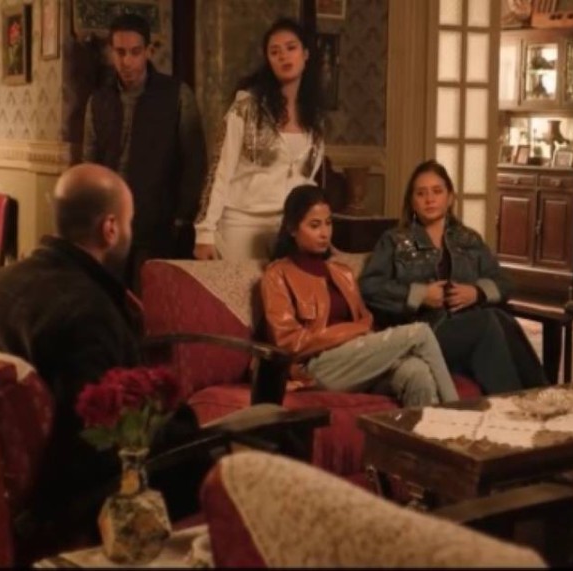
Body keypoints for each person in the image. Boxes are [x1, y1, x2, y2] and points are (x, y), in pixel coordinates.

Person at [0, 164, 214, 558]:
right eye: (130, 222)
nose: (129, 231)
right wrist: (189, 431)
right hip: (66, 503)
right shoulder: (87, 312)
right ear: (110, 228)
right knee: (223, 462)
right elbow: (99, 440)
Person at [261, 185, 459, 407]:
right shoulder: (277, 275)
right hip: (318, 367)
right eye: (314, 225)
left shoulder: (342, 273)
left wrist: (360, 333)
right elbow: (289, 342)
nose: (325, 233)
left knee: (417, 372)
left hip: (357, 360)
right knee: (420, 332)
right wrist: (351, 332)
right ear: (292, 228)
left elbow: (366, 321)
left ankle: (425, 430)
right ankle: (458, 413)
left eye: (328, 223)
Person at [360, 160, 546, 395]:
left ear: (450, 198)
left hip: (468, 327)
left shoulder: (468, 240)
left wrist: (477, 292)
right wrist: (420, 295)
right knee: (487, 321)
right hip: (425, 333)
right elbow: (370, 287)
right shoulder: (394, 240)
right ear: (412, 201)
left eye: (437, 191)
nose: (429, 199)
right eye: (421, 193)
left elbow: (505, 282)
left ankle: (542, 395)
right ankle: (511, 402)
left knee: (501, 318)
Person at [83, 13, 206, 289]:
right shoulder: (99, 100)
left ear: (148, 51)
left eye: (135, 52)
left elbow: (195, 161)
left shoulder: (176, 94)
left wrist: (182, 217)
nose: (127, 61)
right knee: (107, 297)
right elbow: (89, 165)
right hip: (110, 222)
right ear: (111, 52)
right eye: (120, 52)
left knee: (149, 299)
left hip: (159, 221)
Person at [193, 18, 325, 262]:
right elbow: (219, 171)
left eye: (291, 48)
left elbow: (307, 180)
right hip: (241, 224)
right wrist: (205, 232)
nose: (283, 56)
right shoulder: (247, 107)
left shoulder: (314, 117)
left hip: (287, 228)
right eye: (275, 52)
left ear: (306, 54)